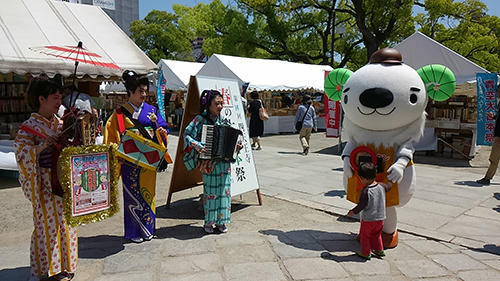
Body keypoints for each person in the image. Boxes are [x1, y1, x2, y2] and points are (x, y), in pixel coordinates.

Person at [14, 78, 77, 281]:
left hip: (62, 181)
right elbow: (21, 154)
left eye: (61, 97)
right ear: (41, 99)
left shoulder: (60, 124)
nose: (59, 101)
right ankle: (47, 270)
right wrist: (41, 147)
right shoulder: (29, 127)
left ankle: (66, 265)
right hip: (44, 184)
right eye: (54, 97)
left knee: (66, 224)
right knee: (46, 226)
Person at [104, 70, 168, 243]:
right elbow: (111, 136)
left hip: (148, 161)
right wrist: (116, 150)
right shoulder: (118, 114)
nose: (144, 94)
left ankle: (148, 229)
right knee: (132, 195)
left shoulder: (152, 110)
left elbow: (163, 127)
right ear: (130, 92)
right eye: (140, 91)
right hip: (129, 160)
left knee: (148, 194)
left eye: (146, 91)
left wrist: (161, 131)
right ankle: (133, 232)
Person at [184, 90, 241, 234]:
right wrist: (196, 144)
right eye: (217, 103)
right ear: (208, 105)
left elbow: (231, 140)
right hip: (208, 164)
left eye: (222, 103)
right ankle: (209, 222)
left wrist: (236, 147)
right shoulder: (200, 119)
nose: (220, 106)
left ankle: (222, 222)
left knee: (224, 193)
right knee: (211, 193)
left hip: (223, 164)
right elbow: (187, 134)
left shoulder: (223, 120)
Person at [347, 162, 392, 260]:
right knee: (376, 235)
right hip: (380, 219)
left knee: (365, 236)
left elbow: (361, 205)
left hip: (368, 220)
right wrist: (391, 180)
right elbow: (389, 186)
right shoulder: (382, 186)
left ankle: (366, 252)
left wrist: (353, 212)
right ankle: (379, 250)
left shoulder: (366, 191)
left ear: (363, 178)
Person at [476, 83, 500, 185]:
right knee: (493, 158)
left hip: (499, 136)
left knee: (494, 158)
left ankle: (487, 178)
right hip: (498, 134)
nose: (497, 93)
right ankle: (487, 177)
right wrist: (494, 117)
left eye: (499, 91)